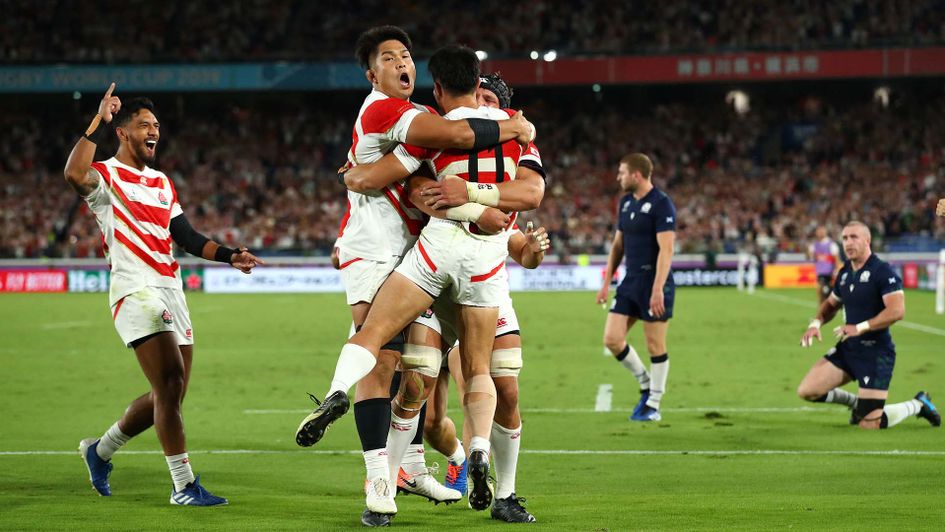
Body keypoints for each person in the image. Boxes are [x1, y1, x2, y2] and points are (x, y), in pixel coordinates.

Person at [297, 26, 532, 525]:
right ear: (372, 73)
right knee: (411, 368)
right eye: (390, 57)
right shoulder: (397, 113)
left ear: (438, 87)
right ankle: (389, 478)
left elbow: (404, 177)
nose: (402, 63)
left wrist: (355, 176)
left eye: (407, 55)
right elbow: (477, 156)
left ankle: (401, 461)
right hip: (405, 256)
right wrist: (511, 132)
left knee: (410, 367)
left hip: (422, 253)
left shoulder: (421, 120)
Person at [64, 84, 262, 506]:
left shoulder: (161, 181)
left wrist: (231, 256)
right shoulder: (106, 176)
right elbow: (73, 174)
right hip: (135, 291)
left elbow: (186, 236)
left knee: (169, 392)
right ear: (123, 132)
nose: (154, 131)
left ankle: (100, 452)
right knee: (170, 382)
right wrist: (98, 118)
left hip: (171, 290)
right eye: (144, 125)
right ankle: (184, 485)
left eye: (156, 126)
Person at [420, 72, 543, 523]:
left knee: (502, 387)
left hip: (486, 287)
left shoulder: (514, 152)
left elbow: (524, 212)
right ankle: (445, 462)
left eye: (488, 101)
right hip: (435, 278)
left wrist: (529, 251)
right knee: (429, 411)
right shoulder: (440, 135)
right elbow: (415, 191)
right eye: (474, 98)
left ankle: (501, 491)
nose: (480, 109)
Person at [798, 221, 940, 429]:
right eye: (845, 238)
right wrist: (816, 323)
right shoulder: (845, 272)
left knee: (870, 424)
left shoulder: (883, 271)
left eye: (854, 237)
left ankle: (918, 404)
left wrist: (860, 327)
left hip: (876, 353)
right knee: (807, 390)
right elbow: (830, 305)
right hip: (849, 348)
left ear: (867, 240)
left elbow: (896, 311)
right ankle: (858, 405)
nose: (848, 242)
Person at [596, 154, 676, 422]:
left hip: (654, 282)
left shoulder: (662, 204)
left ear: (637, 175)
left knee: (655, 345)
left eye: (622, 173)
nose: (618, 177)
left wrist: (657, 289)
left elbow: (667, 250)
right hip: (630, 281)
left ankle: (654, 402)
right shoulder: (626, 202)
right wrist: (607, 282)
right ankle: (645, 383)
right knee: (612, 339)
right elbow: (618, 246)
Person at [808, 225, 841, 303]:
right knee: (820, 290)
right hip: (820, 273)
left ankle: (825, 310)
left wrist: (836, 271)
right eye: (818, 231)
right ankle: (821, 312)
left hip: (830, 272)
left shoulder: (831, 244)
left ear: (825, 232)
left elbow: (836, 259)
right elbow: (812, 258)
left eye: (822, 231)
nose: (820, 233)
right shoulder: (814, 245)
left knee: (827, 294)